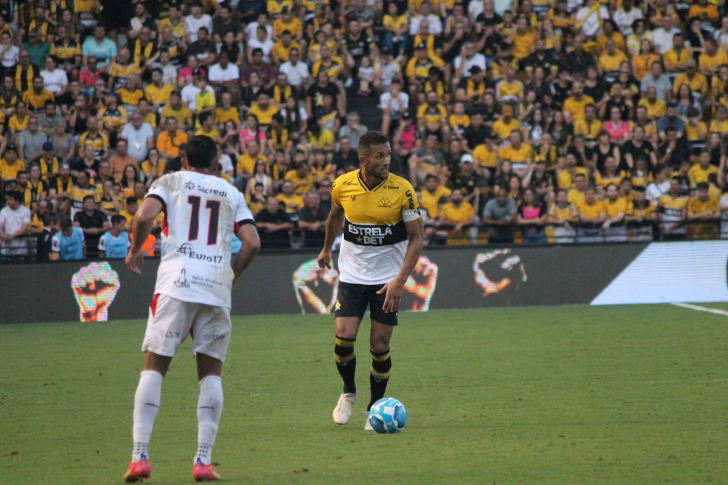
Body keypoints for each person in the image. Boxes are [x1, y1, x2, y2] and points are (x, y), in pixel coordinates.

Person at [123, 135, 260, 482]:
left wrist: (135, 249)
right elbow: (253, 243)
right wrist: (231, 275)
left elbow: (144, 217)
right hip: (215, 288)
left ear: (183, 160)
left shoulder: (169, 181)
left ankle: (140, 456)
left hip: (176, 284)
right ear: (216, 163)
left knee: (154, 367)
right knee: (210, 374)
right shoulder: (231, 192)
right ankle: (203, 460)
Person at [316, 131, 423, 430]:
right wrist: (326, 248)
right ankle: (348, 391)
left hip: (388, 280)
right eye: (380, 156)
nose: (386, 160)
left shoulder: (403, 189)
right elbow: (335, 217)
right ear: (363, 159)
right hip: (352, 274)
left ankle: (375, 407)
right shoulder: (343, 185)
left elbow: (417, 238)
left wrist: (400, 282)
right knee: (343, 337)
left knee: (379, 345)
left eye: (388, 154)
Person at [0, 190, 31, 258]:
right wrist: (2, 235)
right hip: (5, 248)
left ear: (17, 201)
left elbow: (24, 229)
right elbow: (0, 226)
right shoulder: (3, 211)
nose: (8, 201)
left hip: (20, 248)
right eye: (8, 199)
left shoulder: (26, 211)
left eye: (11, 199)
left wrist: (12, 236)